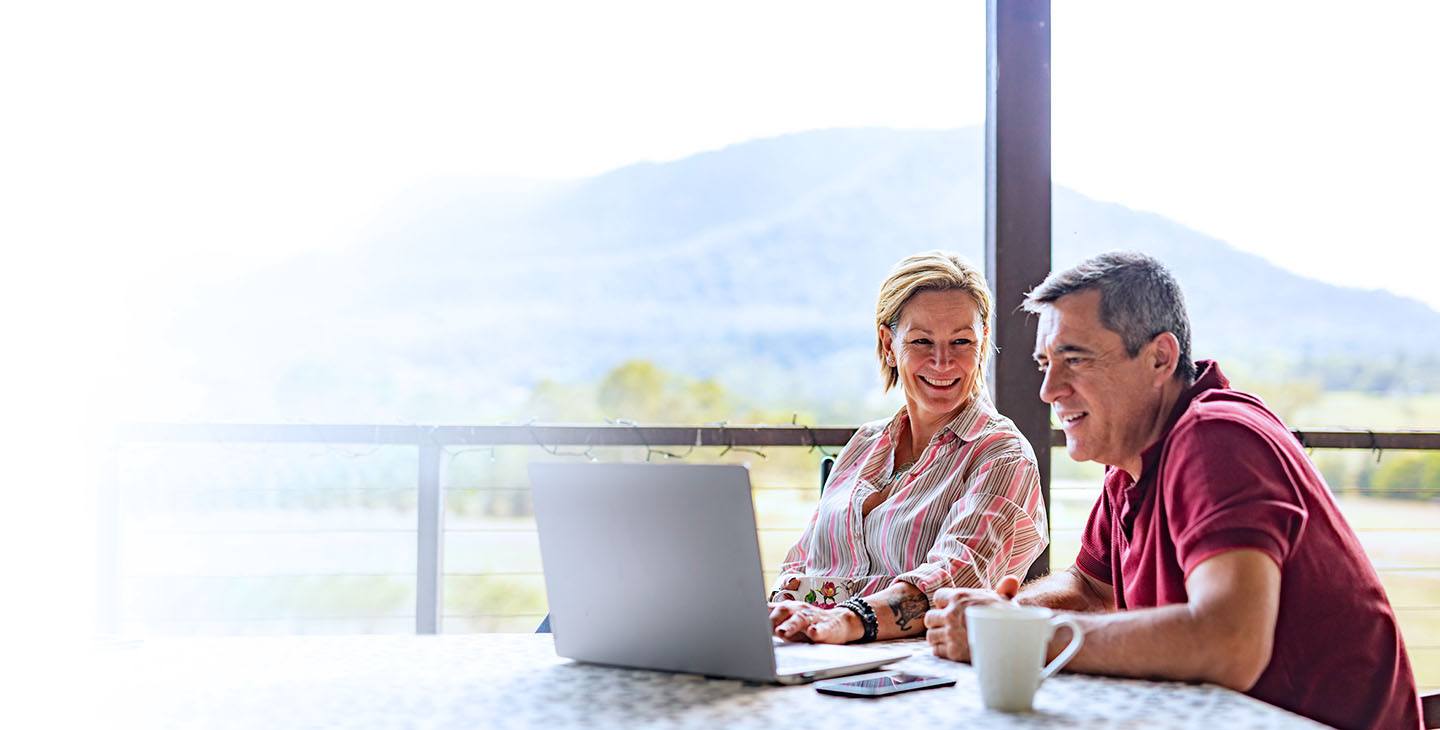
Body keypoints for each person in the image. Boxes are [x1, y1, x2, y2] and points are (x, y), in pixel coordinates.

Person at [923, 252, 1422, 730]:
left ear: (1160, 358)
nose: (1049, 389)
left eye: (1075, 359)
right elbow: (1089, 589)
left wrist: (1024, 638)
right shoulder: (1131, 459)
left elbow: (1228, 642)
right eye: (1044, 364)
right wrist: (1000, 619)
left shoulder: (1216, 438)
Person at [768, 251, 1048, 645]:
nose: (942, 361)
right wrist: (781, 612)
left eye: (961, 341)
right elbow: (800, 563)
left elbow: (954, 578)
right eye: (921, 341)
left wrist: (844, 621)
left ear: (982, 343)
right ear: (888, 344)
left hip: (921, 670)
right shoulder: (864, 444)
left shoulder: (1001, 454)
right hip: (812, 650)